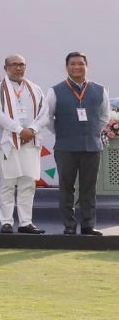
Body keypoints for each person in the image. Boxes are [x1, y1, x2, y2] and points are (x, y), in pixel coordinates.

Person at [46, 52, 110, 236]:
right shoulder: (55, 90)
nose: (77, 67)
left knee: (89, 188)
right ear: (67, 67)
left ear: (86, 66)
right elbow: (48, 118)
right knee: (66, 187)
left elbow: (104, 116)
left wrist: (92, 131)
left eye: (81, 64)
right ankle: (69, 225)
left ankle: (89, 225)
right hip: (65, 147)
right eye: (72, 64)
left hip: (92, 146)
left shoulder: (99, 90)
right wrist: (63, 133)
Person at [0, 55, 48, 234]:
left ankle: (25, 222)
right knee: (7, 184)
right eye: (14, 65)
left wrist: (31, 130)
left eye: (21, 65)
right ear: (5, 68)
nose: (18, 68)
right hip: (8, 142)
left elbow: (45, 114)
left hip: (30, 142)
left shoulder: (35, 88)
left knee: (28, 184)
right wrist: (19, 130)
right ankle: (6, 222)